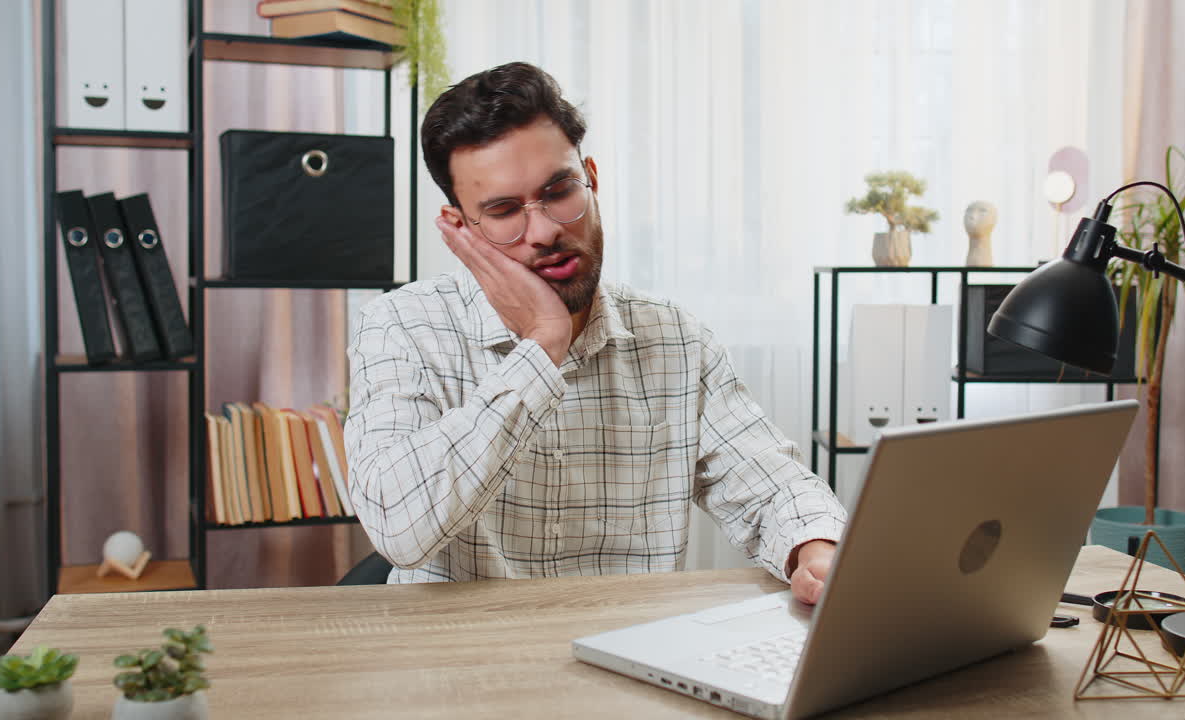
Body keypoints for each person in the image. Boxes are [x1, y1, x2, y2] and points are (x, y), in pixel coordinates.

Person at [345, 62, 847, 604]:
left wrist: (815, 548)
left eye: (559, 191)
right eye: (504, 211)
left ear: (592, 178)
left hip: (629, 658)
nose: (544, 231)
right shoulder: (400, 327)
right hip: (461, 670)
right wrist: (541, 344)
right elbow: (397, 528)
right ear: (461, 227)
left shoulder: (676, 337)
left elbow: (770, 484)